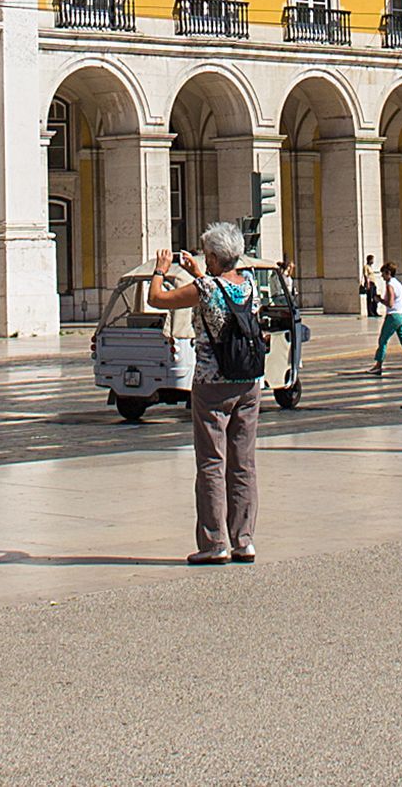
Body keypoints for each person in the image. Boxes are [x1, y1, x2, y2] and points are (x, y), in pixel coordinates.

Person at [144, 226, 263, 564]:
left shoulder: (204, 288)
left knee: (212, 462)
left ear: (212, 256)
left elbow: (157, 299)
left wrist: (160, 270)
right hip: (248, 380)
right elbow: (222, 294)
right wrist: (199, 272)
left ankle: (214, 544)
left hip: (213, 383)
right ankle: (244, 541)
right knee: (243, 463)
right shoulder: (249, 283)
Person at [370, 262, 402, 377]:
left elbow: (390, 303)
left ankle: (378, 365)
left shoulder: (390, 285)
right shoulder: (398, 283)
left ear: (388, 273)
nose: (382, 276)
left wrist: (379, 300)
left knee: (383, 340)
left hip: (393, 315)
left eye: (383, 273)